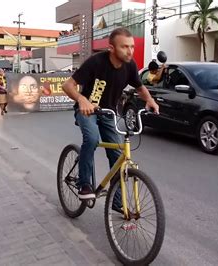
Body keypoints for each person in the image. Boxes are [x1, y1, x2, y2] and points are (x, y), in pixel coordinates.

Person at [62, 28, 159, 208]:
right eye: (125, 47)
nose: (130, 51)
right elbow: (67, 85)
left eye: (132, 47)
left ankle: (116, 201)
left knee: (117, 154)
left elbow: (139, 87)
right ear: (112, 48)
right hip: (87, 111)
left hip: (109, 113)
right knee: (91, 139)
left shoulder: (130, 65)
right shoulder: (95, 63)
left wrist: (150, 101)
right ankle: (84, 184)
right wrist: (82, 99)